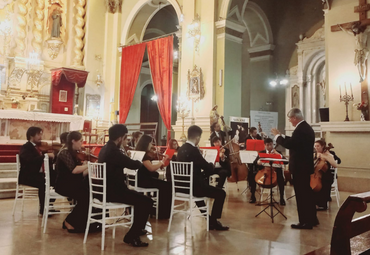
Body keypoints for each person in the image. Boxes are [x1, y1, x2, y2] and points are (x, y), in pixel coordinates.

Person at [98, 124, 153, 247]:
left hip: (105, 189)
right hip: (114, 192)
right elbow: (133, 165)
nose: (126, 141)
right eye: (125, 138)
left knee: (141, 199)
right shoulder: (114, 152)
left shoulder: (105, 148)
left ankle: (137, 229)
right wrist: (138, 160)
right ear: (120, 138)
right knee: (146, 202)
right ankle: (132, 236)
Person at [271, 108, 318, 230]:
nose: (290, 121)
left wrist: (277, 137)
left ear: (295, 118)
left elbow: (290, 144)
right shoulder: (305, 128)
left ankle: (305, 222)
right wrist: (281, 136)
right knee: (307, 194)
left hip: (300, 167)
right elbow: (295, 141)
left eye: (290, 119)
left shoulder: (300, 130)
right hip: (305, 166)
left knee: (302, 195)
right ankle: (312, 219)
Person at [177, 125, 229, 231]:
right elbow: (207, 167)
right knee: (221, 193)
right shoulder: (194, 150)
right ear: (197, 138)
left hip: (182, 187)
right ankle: (213, 221)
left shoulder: (181, 149)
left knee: (199, 192)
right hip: (194, 187)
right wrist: (211, 164)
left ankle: (209, 220)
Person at [55, 131, 99, 233]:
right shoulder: (64, 152)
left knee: (90, 194)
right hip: (64, 185)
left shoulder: (73, 153)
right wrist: (89, 165)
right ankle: (69, 222)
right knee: (86, 197)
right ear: (73, 141)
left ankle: (83, 222)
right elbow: (74, 170)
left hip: (72, 183)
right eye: (80, 141)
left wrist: (92, 167)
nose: (82, 144)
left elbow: (80, 174)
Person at [19, 127, 55, 216]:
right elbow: (29, 160)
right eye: (38, 134)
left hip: (39, 174)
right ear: (31, 135)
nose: (40, 136)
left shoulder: (38, 147)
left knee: (58, 179)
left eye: (41, 134)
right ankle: (43, 209)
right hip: (28, 176)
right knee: (43, 183)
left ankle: (49, 205)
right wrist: (45, 155)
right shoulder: (26, 147)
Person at [135, 135, 172, 219]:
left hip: (141, 179)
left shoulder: (140, 152)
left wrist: (159, 164)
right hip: (143, 181)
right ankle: (163, 213)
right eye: (150, 143)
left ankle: (159, 210)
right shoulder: (144, 155)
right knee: (167, 186)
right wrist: (162, 161)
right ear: (146, 143)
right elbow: (151, 168)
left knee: (163, 184)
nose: (152, 145)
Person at [253, 138, 288, 206]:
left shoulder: (278, 152)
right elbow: (255, 162)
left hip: (275, 171)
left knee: (280, 178)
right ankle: (253, 196)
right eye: (267, 145)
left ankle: (281, 198)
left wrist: (277, 154)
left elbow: (286, 162)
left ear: (273, 144)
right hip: (264, 171)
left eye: (271, 144)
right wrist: (258, 162)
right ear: (265, 145)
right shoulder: (262, 152)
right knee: (252, 176)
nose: (269, 146)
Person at [313, 140, 338, 211]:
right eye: (315, 146)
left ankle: (323, 204)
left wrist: (325, 157)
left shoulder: (328, 155)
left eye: (318, 146)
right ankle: (314, 202)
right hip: (317, 175)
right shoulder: (315, 154)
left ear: (322, 146)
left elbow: (335, 165)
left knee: (324, 182)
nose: (316, 148)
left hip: (327, 176)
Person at [246, 127, 262, 203]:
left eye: (256, 132)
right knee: (251, 171)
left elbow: (263, 145)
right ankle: (252, 190)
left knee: (255, 169)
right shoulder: (247, 138)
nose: (256, 134)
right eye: (255, 133)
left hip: (258, 158)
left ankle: (257, 183)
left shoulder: (259, 137)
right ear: (251, 133)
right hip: (250, 157)